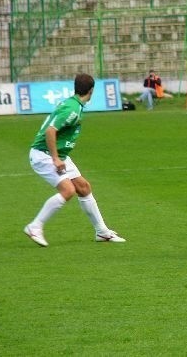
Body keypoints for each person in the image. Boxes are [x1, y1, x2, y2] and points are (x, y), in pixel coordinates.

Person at [24, 73, 126, 247]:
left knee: (83, 188)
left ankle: (102, 232)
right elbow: (50, 131)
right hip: (44, 154)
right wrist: (55, 158)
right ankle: (35, 226)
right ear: (91, 90)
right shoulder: (72, 109)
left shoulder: (74, 104)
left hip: (59, 154)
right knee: (68, 191)